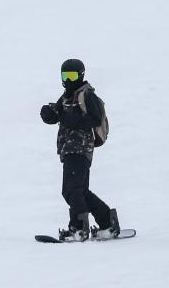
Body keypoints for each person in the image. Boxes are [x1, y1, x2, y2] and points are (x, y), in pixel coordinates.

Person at [39, 58, 121, 241]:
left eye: (72, 76)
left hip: (80, 148)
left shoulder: (86, 94)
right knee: (80, 191)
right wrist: (48, 114)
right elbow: (58, 116)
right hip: (69, 149)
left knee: (71, 190)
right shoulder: (67, 95)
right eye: (65, 76)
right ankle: (108, 223)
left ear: (81, 75)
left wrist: (72, 119)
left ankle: (78, 228)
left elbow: (95, 118)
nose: (68, 80)